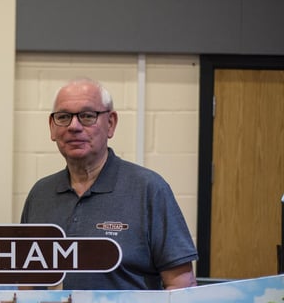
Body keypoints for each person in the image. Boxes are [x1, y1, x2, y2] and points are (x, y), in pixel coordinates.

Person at [20, 78, 198, 290]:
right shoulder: (40, 194)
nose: (74, 126)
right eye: (63, 117)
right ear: (52, 126)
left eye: (87, 116)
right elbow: (27, 282)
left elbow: (181, 285)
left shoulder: (149, 189)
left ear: (111, 123)